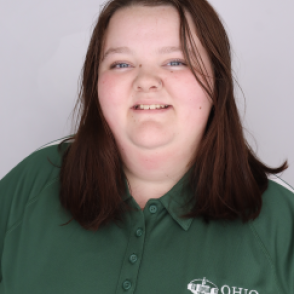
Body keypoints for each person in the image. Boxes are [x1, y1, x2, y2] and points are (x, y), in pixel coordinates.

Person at [0, 0, 293, 293]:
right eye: (121, 64)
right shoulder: (31, 184)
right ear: (96, 82)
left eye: (176, 61)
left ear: (218, 81)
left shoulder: (283, 221)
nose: (146, 81)